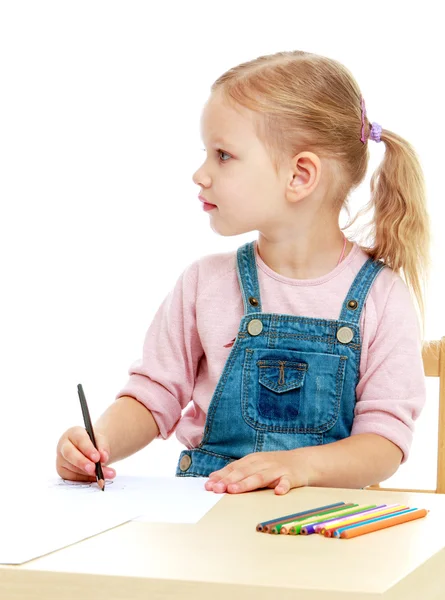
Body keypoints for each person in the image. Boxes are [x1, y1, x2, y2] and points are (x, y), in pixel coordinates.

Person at [56, 50, 430, 495]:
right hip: (209, 522)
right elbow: (153, 396)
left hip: (322, 533)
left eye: (224, 156)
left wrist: (300, 466)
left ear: (300, 175)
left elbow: (383, 444)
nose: (200, 174)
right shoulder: (204, 284)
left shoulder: (382, 297)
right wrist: (98, 444)